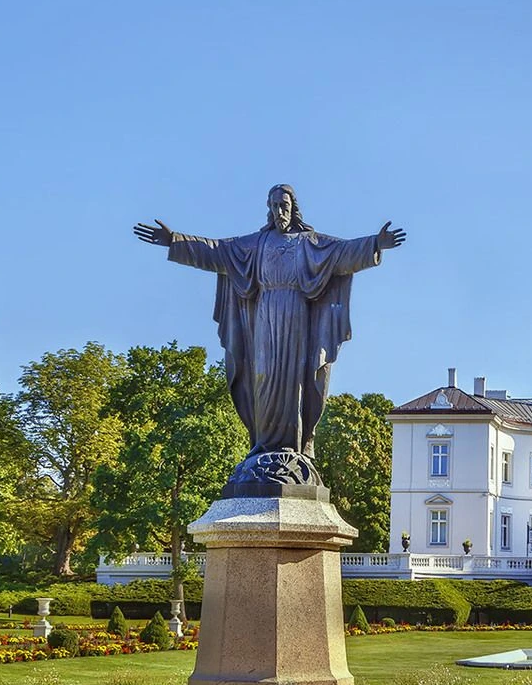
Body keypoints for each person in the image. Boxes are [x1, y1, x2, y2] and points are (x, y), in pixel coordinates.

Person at [134, 185, 406, 486]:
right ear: (269, 208)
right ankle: (264, 445)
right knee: (262, 377)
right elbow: (215, 251)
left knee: (294, 381)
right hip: (263, 315)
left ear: (294, 207)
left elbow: (342, 253)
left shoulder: (308, 242)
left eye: (284, 205)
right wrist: (175, 241)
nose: (280, 212)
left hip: (296, 314)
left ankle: (292, 447)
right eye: (275, 206)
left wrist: (375, 244)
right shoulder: (255, 244)